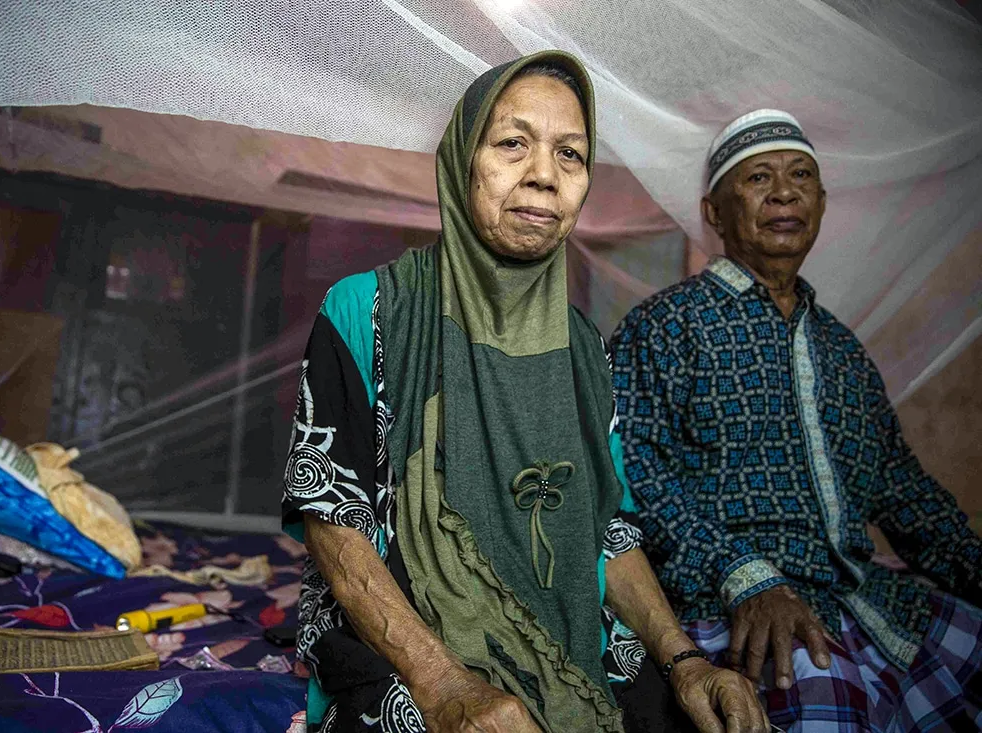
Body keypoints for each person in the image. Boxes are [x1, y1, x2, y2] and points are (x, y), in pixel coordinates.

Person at [281, 51, 768, 733]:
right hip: (410, 651)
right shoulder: (366, 311)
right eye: (513, 144)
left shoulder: (583, 351)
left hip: (576, 645)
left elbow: (609, 530)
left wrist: (685, 659)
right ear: (462, 160)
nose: (544, 175)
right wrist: (446, 684)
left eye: (571, 154)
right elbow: (333, 517)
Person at [609, 108, 982, 731]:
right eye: (758, 178)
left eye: (801, 175)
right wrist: (742, 575)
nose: (785, 192)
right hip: (731, 609)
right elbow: (631, 473)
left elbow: (905, 492)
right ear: (713, 212)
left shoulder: (842, 349)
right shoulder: (665, 326)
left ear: (822, 201)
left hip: (864, 600)